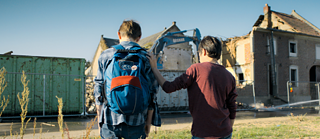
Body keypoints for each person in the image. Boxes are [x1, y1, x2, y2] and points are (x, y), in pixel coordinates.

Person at [147, 36, 238, 139]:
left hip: (202, 133)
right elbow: (232, 107)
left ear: (203, 51)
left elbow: (168, 87)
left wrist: (154, 68)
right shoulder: (230, 76)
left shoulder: (195, 69)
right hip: (225, 132)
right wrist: (228, 127)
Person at [94, 20, 161, 139]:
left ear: (118, 34)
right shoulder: (147, 57)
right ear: (139, 37)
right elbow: (153, 92)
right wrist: (148, 125)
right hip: (137, 121)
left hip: (110, 121)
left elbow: (98, 91)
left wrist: (100, 121)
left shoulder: (106, 55)